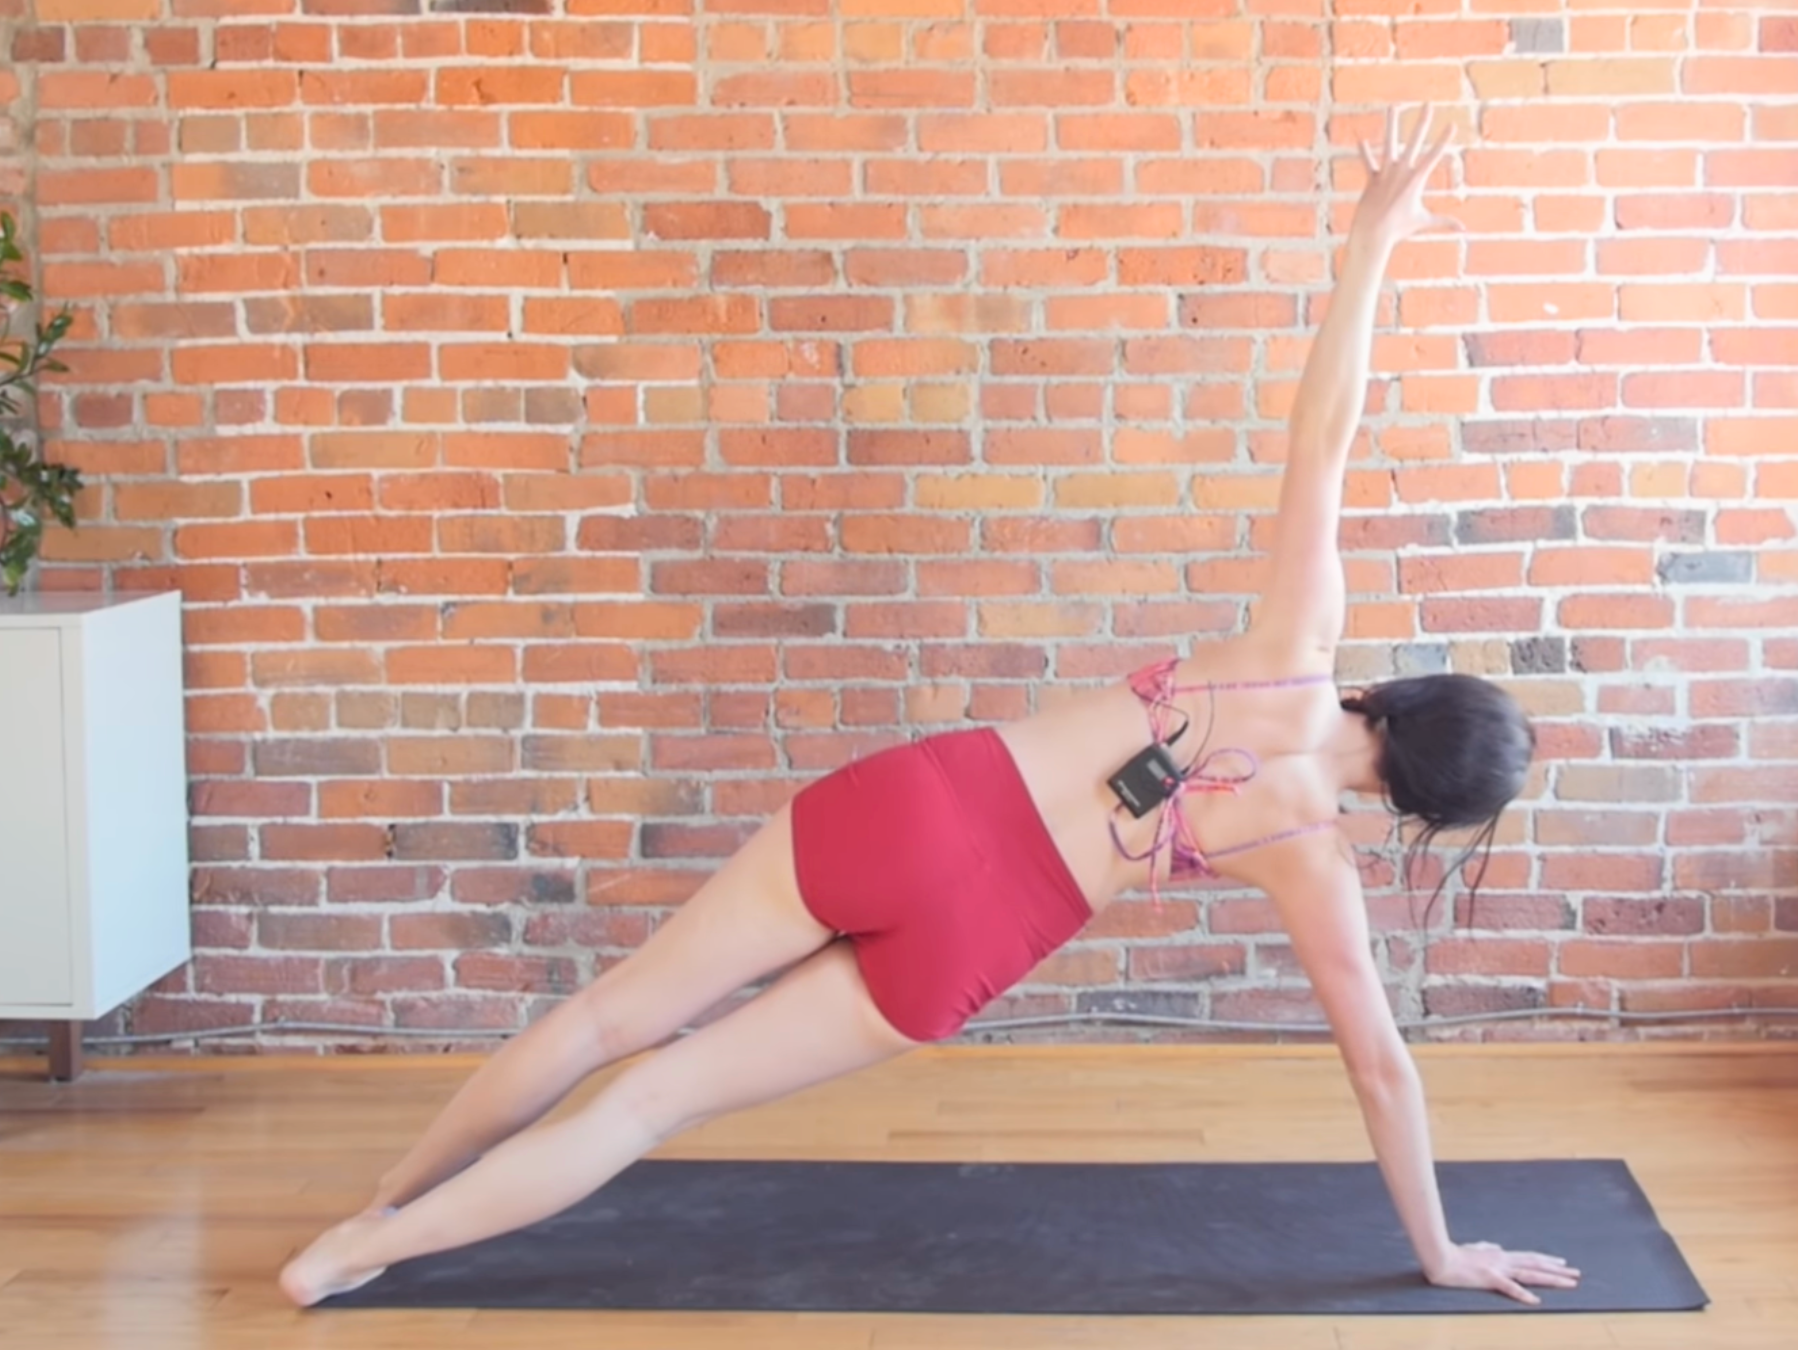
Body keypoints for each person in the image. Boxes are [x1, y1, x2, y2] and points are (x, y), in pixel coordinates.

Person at [281, 104, 1578, 1309]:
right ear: (1424, 808)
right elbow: (1378, 1066)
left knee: (606, 1021)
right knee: (651, 1099)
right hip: (972, 938)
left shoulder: (1294, 646)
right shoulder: (1311, 856)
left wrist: (1366, 248)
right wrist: (1440, 1249)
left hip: (916, 808)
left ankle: (375, 1209)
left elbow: (1327, 434)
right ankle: (364, 1255)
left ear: (1414, 691)